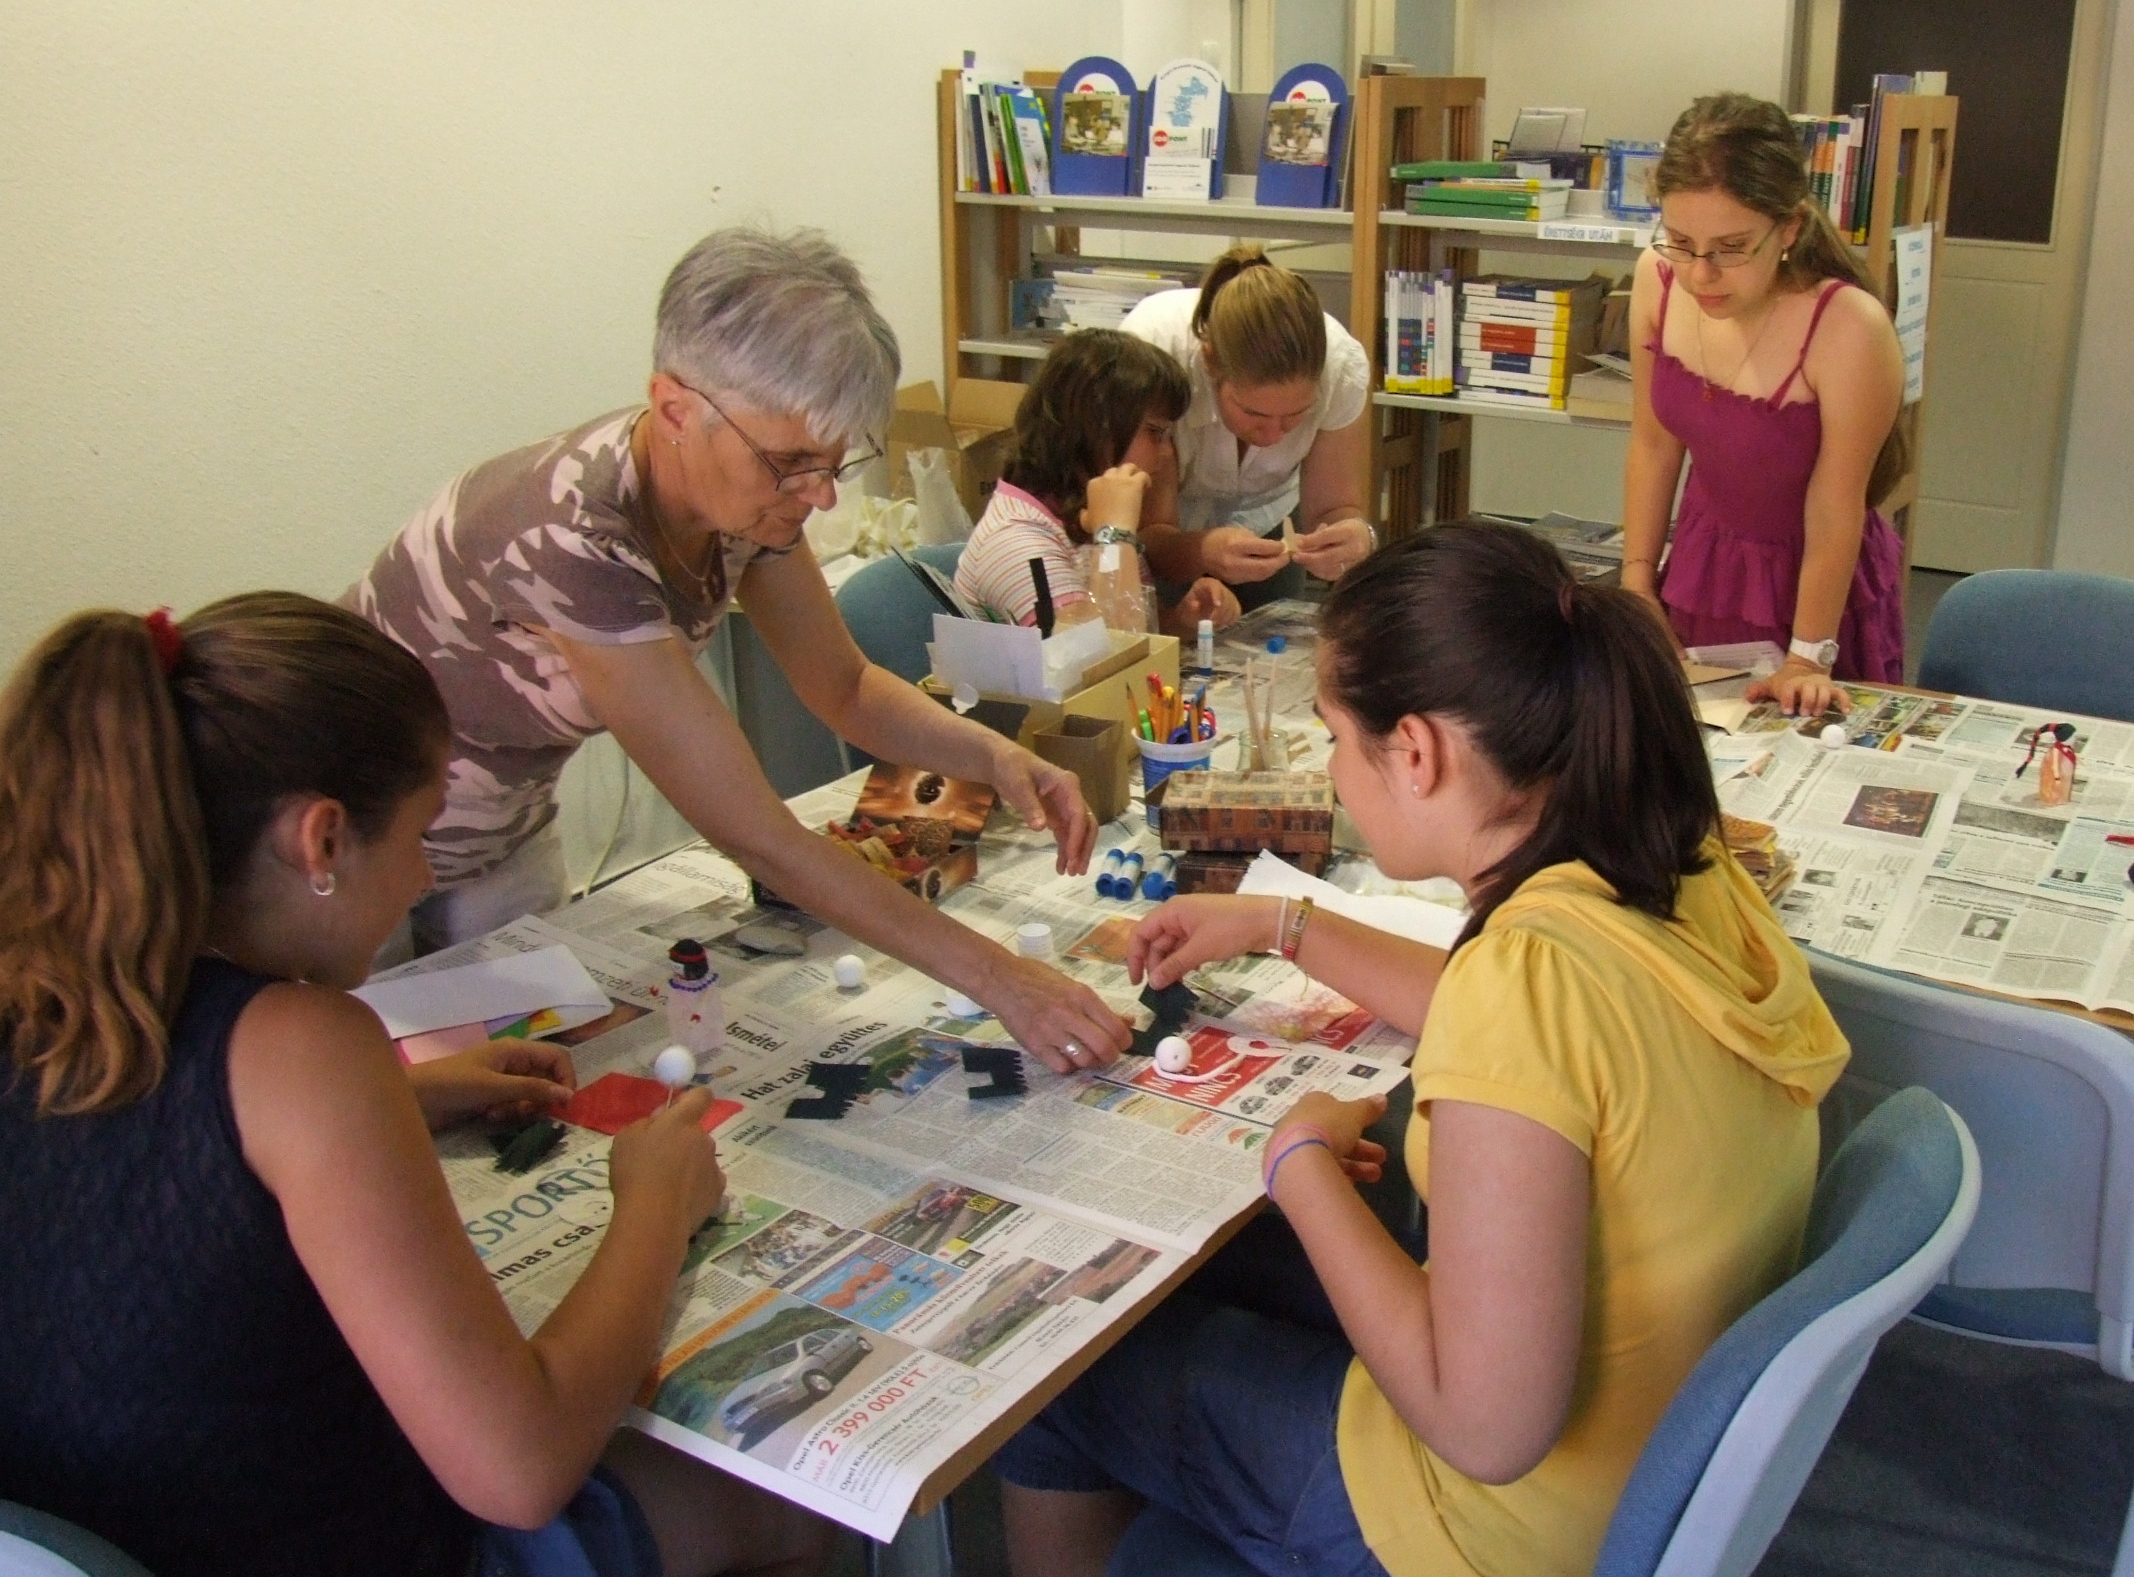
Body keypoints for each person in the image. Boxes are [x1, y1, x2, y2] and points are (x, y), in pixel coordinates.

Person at [991, 519, 1850, 1577]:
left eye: (1337, 742)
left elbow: (1486, 1427)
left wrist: (1298, 1165)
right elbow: (1537, 1035)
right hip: (1664, 1481)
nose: (1333, 776)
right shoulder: (1678, 865)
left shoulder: (1526, 985)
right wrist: (1280, 924)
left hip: (1505, 1546)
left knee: (1055, 1370)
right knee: (1200, 1279)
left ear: (1418, 752)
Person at [0, 593, 831, 1577]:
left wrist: (399, 1103)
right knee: (791, 1491)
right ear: (322, 842)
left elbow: (145, 1165)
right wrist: (652, 1206)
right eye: (420, 837)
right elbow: (521, 1467)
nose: (418, 881)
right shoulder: (304, 1047)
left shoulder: (50, 987)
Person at [347, 226, 1126, 1072]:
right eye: (790, 463)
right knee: (370, 1085)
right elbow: (758, 836)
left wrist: (997, 757)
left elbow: (844, 687)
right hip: (349, 837)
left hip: (502, 823)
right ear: (675, 410)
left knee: (533, 1075)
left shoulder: (743, 499)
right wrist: (1001, 979)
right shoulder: (574, 539)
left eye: (833, 463)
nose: (819, 498)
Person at [1620, 92, 1909, 714]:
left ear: (1790, 229)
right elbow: (1654, 440)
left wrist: (1808, 657)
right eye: (1681, 241)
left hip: (1814, 585)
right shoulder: (1656, 279)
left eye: (1731, 247)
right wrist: (1637, 582)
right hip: (1703, 565)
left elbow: (1835, 503)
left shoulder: (1848, 327)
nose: (1700, 274)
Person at [1119, 244, 1380, 610]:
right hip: (1167, 525)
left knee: (1271, 628)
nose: (1272, 437)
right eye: (1254, 414)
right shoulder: (1157, 356)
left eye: (1295, 415)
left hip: (1269, 510)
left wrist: (1356, 536)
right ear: (1210, 363)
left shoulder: (1339, 367)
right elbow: (1151, 533)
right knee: (1171, 626)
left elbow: (1335, 508)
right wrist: (1203, 551)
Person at [952, 329, 1240, 639]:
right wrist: (1115, 534)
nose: (1167, 452)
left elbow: (1131, 627)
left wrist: (1180, 621)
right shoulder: (1016, 542)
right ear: (1094, 429)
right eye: (1155, 432)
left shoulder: (1082, 511)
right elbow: (1105, 656)